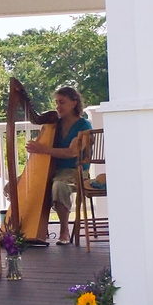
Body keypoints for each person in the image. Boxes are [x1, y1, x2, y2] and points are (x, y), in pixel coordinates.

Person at [25, 85, 91, 245]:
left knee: (59, 185)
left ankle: (64, 230)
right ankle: (26, 230)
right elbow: (43, 149)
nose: (58, 107)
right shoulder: (54, 126)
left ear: (74, 103)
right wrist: (37, 147)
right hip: (55, 171)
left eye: (62, 102)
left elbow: (72, 153)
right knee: (20, 185)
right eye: (56, 102)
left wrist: (42, 148)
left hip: (75, 171)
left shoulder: (84, 126)